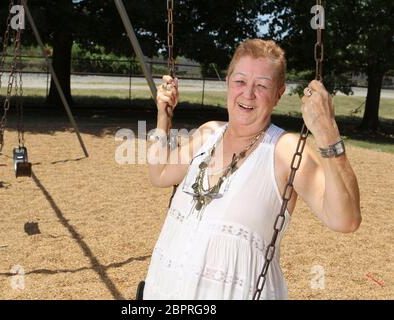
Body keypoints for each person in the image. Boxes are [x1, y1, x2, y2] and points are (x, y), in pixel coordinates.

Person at [143, 39, 361, 300]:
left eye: (262, 85)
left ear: (278, 94)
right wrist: (163, 116)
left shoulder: (284, 151)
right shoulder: (208, 134)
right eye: (240, 81)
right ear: (227, 81)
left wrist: (327, 131)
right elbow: (160, 174)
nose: (248, 94)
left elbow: (345, 219)